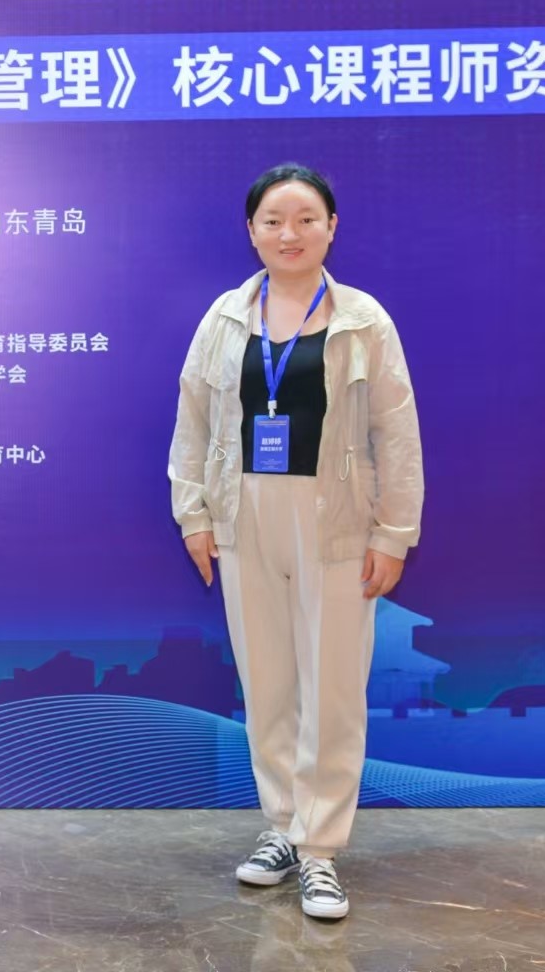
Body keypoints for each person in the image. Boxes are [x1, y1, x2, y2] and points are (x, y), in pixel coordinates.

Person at [167, 162, 423, 920]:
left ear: (331, 228)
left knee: (332, 689)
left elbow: (397, 433)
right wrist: (194, 515)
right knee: (269, 684)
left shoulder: (364, 320)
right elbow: (192, 423)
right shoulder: (223, 318)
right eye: (273, 220)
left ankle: (320, 851)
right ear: (251, 231)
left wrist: (395, 533)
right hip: (243, 516)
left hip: (336, 520)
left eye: (306, 219)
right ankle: (281, 826)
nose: (290, 233)